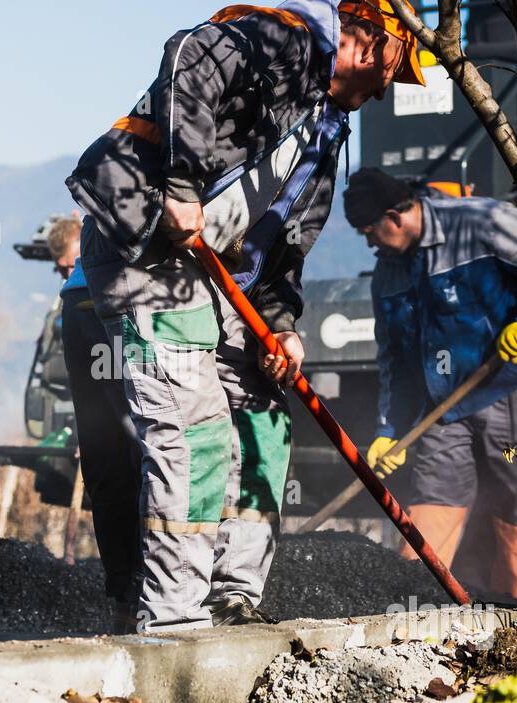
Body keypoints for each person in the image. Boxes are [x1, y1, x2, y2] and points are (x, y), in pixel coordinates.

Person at [66, 0, 423, 631]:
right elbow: (189, 56)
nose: (386, 91)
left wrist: (281, 323)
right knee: (193, 429)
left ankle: (232, 597)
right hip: (149, 245)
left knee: (262, 413)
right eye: (394, 72)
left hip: (221, 279)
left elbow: (287, 244)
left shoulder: (326, 129)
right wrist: (179, 185)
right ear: (370, 45)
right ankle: (174, 620)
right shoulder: (284, 40)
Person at [343, 167, 517, 603]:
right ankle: (413, 613)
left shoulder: (483, 222)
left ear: (396, 217)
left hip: (513, 387)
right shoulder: (387, 274)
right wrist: (390, 430)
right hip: (443, 407)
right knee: (431, 500)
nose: (369, 244)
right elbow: (395, 362)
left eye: (370, 232)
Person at [50, 217, 143, 633]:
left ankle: (125, 597)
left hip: (82, 305)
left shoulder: (105, 178)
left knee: (109, 451)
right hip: (119, 299)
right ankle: (147, 594)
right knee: (146, 444)